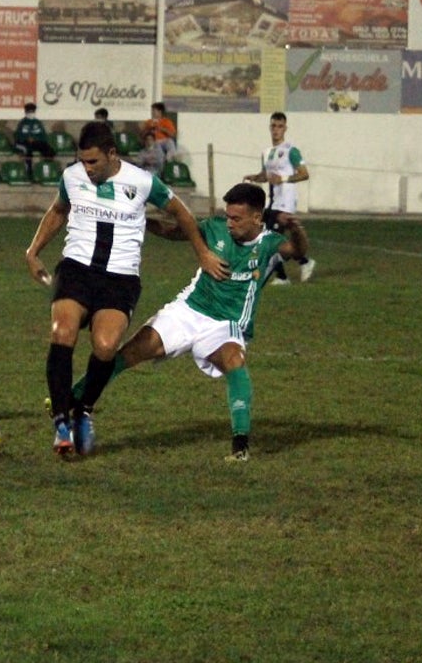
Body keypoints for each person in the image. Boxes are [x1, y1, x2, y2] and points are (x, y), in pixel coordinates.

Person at [24, 121, 229, 457]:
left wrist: (203, 254)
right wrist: (32, 252)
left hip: (120, 277)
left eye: (93, 162)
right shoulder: (72, 177)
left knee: (105, 347)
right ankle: (61, 422)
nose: (86, 169)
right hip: (76, 268)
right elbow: (58, 210)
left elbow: (182, 213)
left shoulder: (143, 182)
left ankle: (83, 410)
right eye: (82, 161)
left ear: (112, 154)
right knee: (63, 332)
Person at [67, 182, 308, 462]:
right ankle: (74, 397)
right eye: (228, 216)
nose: (229, 223)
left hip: (224, 325)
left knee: (234, 361)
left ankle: (240, 446)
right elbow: (173, 230)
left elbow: (298, 250)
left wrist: (297, 229)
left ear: (257, 217)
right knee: (130, 352)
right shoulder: (215, 228)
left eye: (236, 218)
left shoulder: (269, 245)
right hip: (188, 311)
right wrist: (137, 217)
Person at [243, 111, 315, 285]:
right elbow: (265, 176)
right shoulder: (267, 152)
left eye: (280, 126)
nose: (276, 130)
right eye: (274, 126)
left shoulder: (291, 151)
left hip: (286, 202)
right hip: (272, 202)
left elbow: (304, 174)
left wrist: (283, 179)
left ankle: (285, 274)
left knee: (269, 239)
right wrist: (254, 177)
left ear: (285, 128)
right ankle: (300, 263)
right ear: (270, 127)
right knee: (268, 238)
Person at [13, 102, 55, 178]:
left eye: (32, 111)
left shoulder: (38, 123)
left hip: (35, 143)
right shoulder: (22, 123)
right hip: (24, 143)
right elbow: (18, 136)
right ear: (26, 112)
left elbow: (43, 136)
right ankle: (29, 171)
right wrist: (27, 138)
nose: (31, 113)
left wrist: (35, 139)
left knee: (48, 149)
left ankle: (48, 169)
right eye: (29, 112)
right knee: (27, 151)